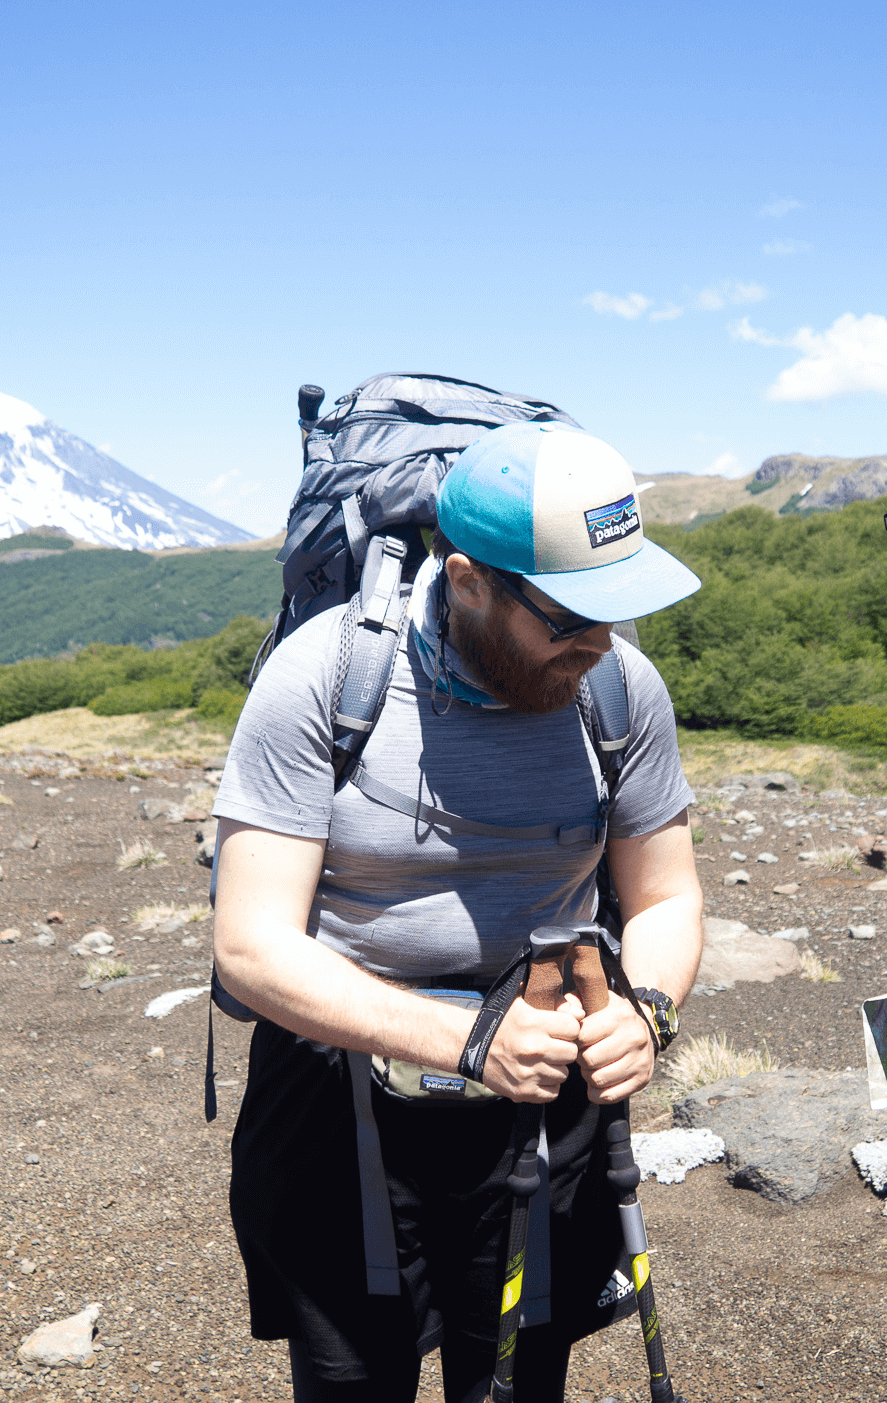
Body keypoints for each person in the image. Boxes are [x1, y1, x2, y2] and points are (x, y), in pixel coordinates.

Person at [211, 420, 706, 1403]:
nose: (598, 644)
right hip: (340, 1105)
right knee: (354, 1382)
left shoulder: (616, 687)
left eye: (614, 612)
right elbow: (249, 947)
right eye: (567, 617)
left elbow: (667, 894)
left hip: (541, 1103)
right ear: (470, 578)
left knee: (518, 1384)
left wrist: (646, 1011)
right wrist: (466, 1039)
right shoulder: (322, 680)